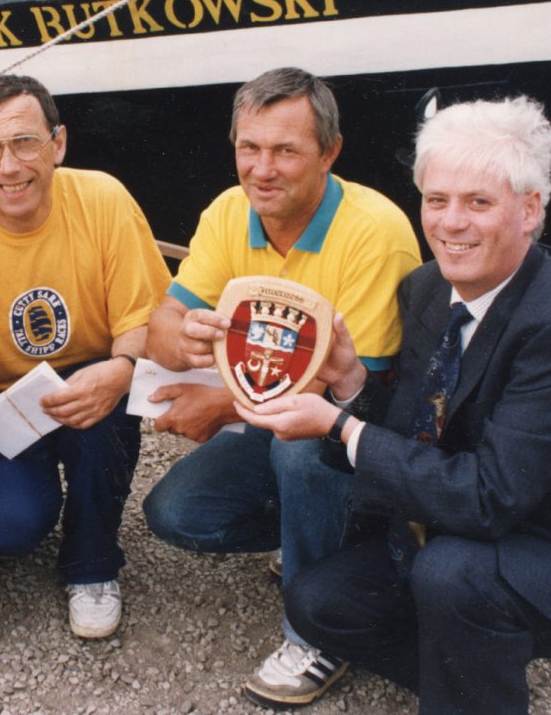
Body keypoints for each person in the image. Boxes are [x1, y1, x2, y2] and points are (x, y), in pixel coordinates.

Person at [246, 95, 551, 713]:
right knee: (318, 601)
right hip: (460, 527)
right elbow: (420, 428)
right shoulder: (427, 287)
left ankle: (471, 685)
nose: (450, 223)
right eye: (436, 200)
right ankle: (474, 674)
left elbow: (489, 497)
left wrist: (339, 427)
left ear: (530, 209)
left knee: (452, 576)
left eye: (478, 203)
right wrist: (349, 382)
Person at [141, 67, 420, 708]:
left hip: (371, 439)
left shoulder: (375, 233)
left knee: (303, 448)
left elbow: (357, 392)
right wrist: (180, 342)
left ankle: (318, 630)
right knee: (178, 515)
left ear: (330, 152)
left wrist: (220, 399)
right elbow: (163, 318)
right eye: (250, 148)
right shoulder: (229, 211)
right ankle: (320, 549)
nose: (262, 169)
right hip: (278, 412)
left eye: (286, 150)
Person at [0, 73, 170, 640]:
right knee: (10, 531)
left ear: (59, 144)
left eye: (25, 142)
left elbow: (145, 316)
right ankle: (35, 495)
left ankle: (92, 564)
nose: (10, 166)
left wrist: (120, 373)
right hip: (0, 398)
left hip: (90, 376)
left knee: (105, 428)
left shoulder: (103, 200)